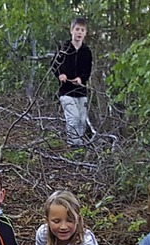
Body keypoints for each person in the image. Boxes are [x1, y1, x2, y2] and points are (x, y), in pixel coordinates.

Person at [51, 17, 92, 147]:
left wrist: (81, 79)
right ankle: (73, 145)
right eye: (77, 29)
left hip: (80, 90)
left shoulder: (86, 52)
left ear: (85, 33)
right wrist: (60, 74)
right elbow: (54, 65)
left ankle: (79, 145)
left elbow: (87, 70)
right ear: (71, 30)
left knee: (81, 120)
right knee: (73, 118)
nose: (79, 32)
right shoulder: (63, 48)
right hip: (66, 91)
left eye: (82, 30)